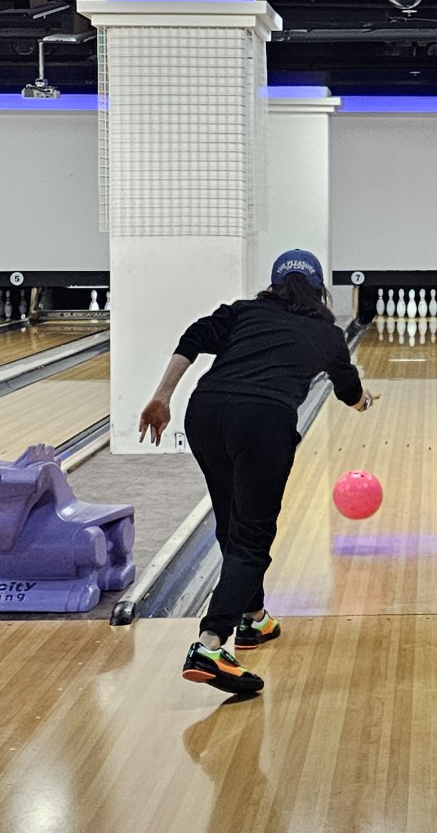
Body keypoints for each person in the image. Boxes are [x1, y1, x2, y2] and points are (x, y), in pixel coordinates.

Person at [139, 249, 375, 696]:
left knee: (231, 522)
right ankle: (210, 644)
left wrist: (162, 396)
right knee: (252, 536)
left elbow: (193, 337)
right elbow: (348, 390)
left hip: (205, 413)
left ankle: (253, 619)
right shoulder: (326, 333)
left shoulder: (244, 312)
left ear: (273, 284)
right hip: (262, 423)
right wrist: (364, 402)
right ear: (319, 289)